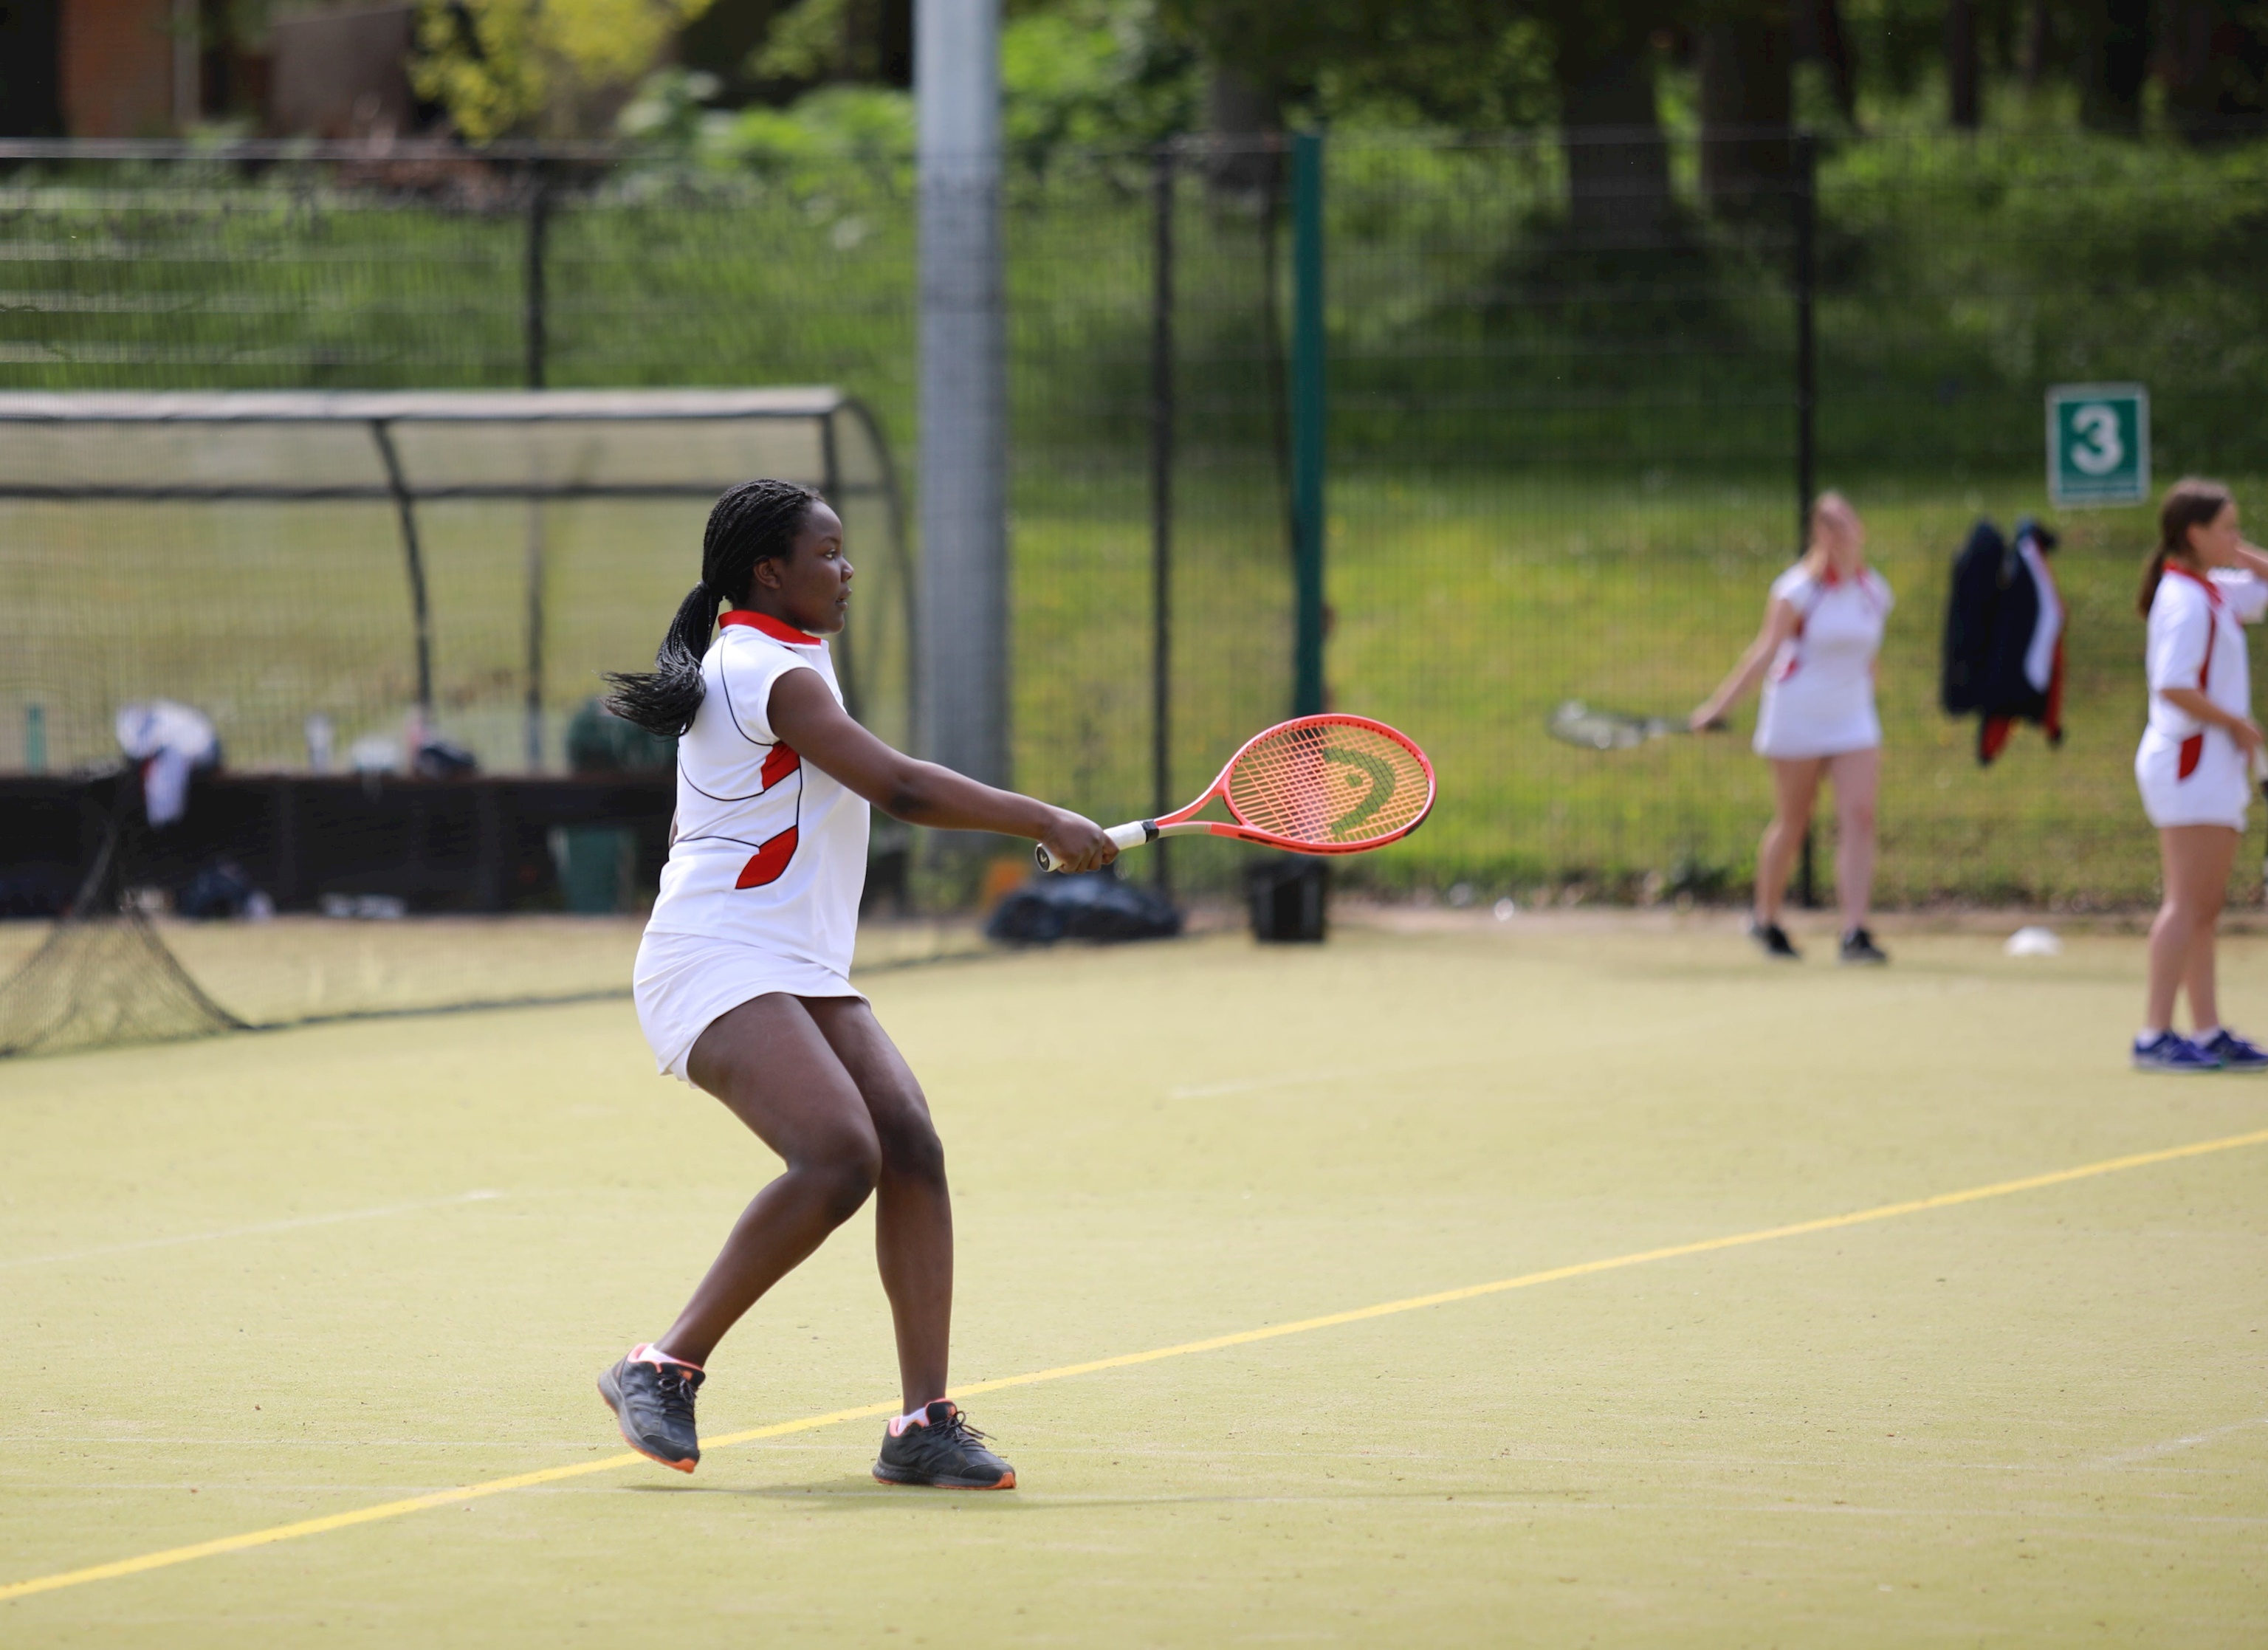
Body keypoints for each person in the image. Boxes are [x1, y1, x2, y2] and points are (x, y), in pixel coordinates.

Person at [598, 478, 1117, 1488]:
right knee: (839, 1151)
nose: (847, 572)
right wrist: (1042, 817)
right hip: (712, 954)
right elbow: (903, 785)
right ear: (769, 572)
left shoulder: (789, 654)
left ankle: (923, 1422)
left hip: (794, 961)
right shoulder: (762, 667)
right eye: (828, 553)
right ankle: (659, 1363)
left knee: (908, 1141)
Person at [1691, 492, 1893, 965]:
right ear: (1819, 535)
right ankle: (1766, 919)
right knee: (1793, 822)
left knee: (1860, 816)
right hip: (1797, 715)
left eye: (1848, 523)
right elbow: (1764, 653)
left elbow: (1867, 654)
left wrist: (1872, 695)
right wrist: (1718, 708)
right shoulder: (1796, 591)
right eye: (1832, 526)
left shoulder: (1875, 591)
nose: (1843, 534)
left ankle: (1855, 932)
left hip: (1855, 719)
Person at [2128, 478, 2268, 1073]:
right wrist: (2237, 722)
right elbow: (2172, 683)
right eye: (2227, 527)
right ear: (2194, 533)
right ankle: (2154, 1034)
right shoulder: (2184, 600)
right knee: (2186, 904)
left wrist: (2233, 551)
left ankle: (2207, 1031)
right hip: (2190, 763)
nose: (2237, 537)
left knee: (2204, 908)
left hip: (2209, 766)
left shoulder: (2211, 590)